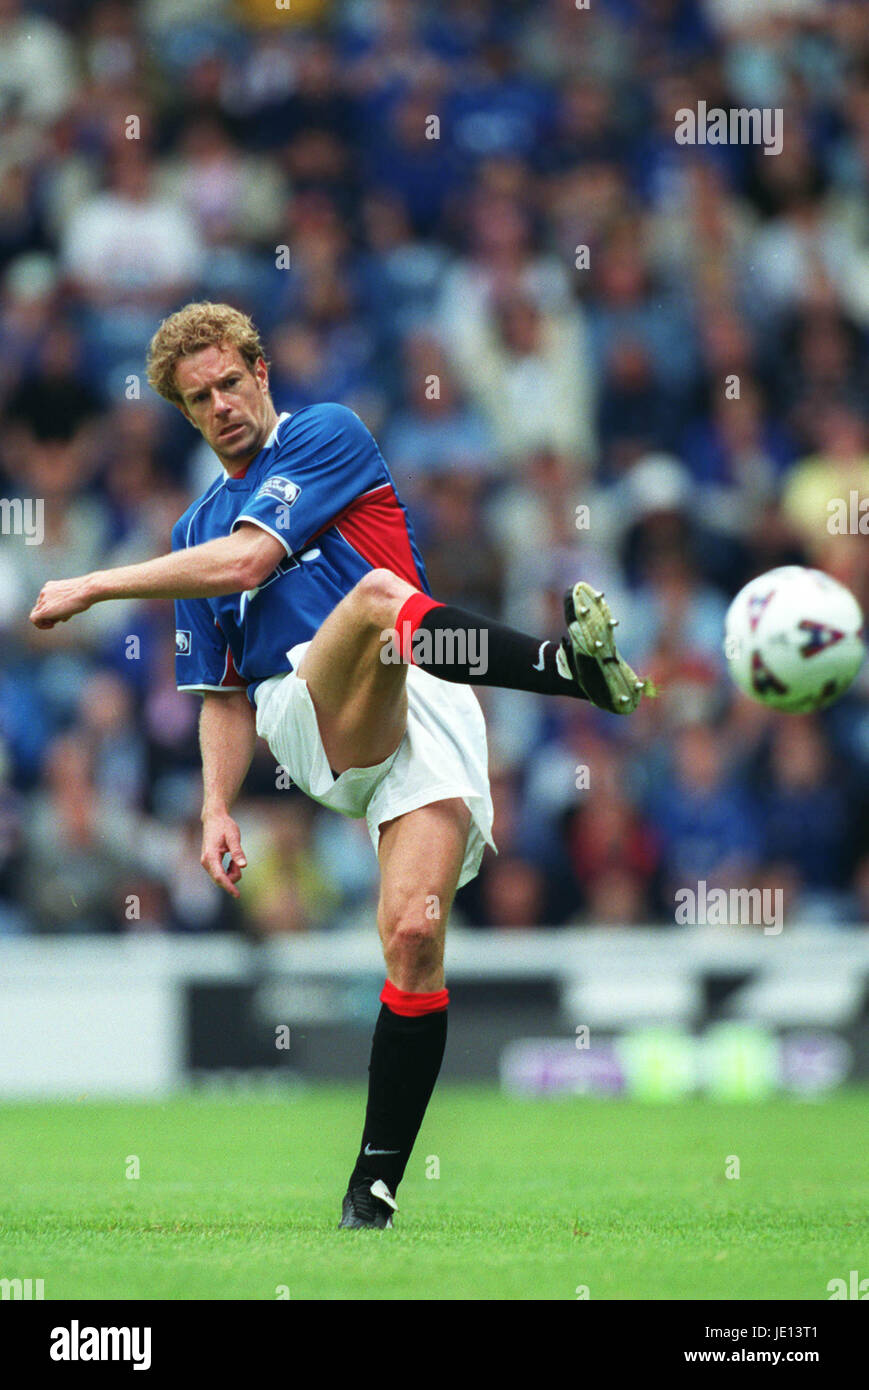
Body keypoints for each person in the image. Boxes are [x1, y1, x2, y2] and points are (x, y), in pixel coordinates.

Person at [30, 301, 649, 1229]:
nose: (222, 404)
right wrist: (213, 808)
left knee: (412, 933)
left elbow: (248, 564)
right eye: (199, 398)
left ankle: (372, 1190)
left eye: (231, 381)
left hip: (426, 692)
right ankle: (569, 672)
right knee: (370, 600)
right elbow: (226, 693)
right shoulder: (197, 529)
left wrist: (93, 582)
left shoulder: (328, 435)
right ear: (185, 415)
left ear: (261, 371)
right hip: (308, 711)